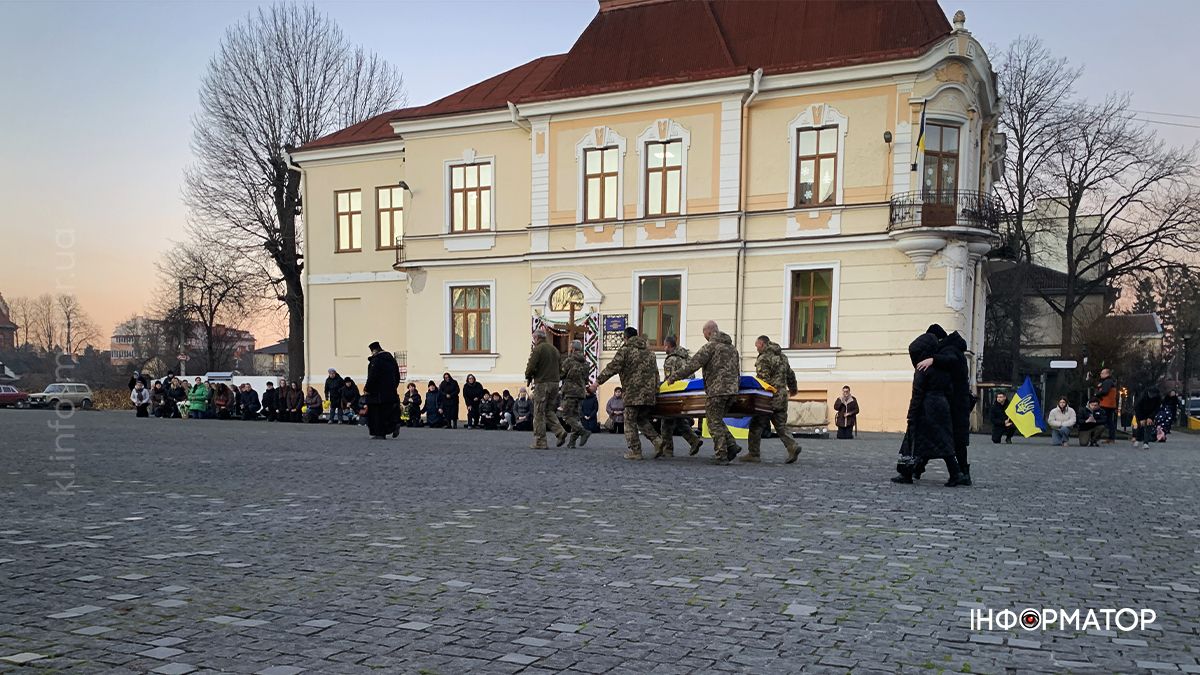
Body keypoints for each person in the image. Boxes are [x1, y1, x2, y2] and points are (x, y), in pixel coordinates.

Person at [892, 333, 963, 486]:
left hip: (926, 407)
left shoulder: (922, 368)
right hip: (942, 405)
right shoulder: (942, 367)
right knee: (944, 441)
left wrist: (911, 415)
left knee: (913, 440)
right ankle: (955, 473)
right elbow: (950, 388)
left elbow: (917, 394)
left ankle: (906, 473)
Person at [667, 320, 741, 465]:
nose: (705, 337)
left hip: (717, 390)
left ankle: (722, 454)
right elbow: (737, 370)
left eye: (704, 334)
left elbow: (692, 365)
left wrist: (674, 377)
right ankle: (732, 445)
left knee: (713, 422)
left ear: (708, 332)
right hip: (732, 390)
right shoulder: (732, 349)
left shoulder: (710, 347)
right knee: (717, 419)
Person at [915, 325, 974, 485]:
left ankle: (961, 473)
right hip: (956, 401)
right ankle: (918, 468)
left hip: (955, 402)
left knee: (949, 438)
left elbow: (951, 360)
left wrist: (933, 359)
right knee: (942, 437)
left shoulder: (950, 350)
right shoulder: (952, 347)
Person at [595, 327, 662, 460]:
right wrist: (655, 391)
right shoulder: (650, 353)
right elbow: (656, 374)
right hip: (648, 394)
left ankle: (635, 451)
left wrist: (597, 382)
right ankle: (658, 441)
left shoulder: (625, 351)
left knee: (629, 420)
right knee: (641, 419)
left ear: (625, 338)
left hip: (633, 393)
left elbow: (612, 367)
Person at [742, 336, 800, 464]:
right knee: (780, 425)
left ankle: (753, 453)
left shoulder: (764, 358)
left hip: (769, 397)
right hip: (782, 395)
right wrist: (793, 388)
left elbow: (763, 380)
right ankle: (792, 446)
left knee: (756, 424)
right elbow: (790, 374)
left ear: (762, 344)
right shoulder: (782, 357)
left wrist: (757, 396)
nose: (756, 348)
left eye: (757, 345)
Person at [658, 336, 704, 458]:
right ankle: (694, 441)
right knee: (679, 420)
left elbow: (669, 380)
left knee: (666, 422)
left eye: (665, 346)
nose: (664, 348)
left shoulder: (671, 360)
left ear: (668, 346)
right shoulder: (686, 356)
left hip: (675, 394)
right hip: (687, 392)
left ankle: (667, 449)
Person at [524, 330, 567, 448]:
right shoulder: (554, 350)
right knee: (549, 410)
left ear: (537, 338)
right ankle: (559, 431)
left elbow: (531, 366)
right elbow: (561, 369)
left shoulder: (538, 349)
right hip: (554, 384)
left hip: (542, 384)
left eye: (534, 338)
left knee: (538, 413)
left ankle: (540, 441)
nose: (534, 340)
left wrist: (528, 376)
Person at [364, 341, 402, 439]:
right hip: (390, 392)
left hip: (377, 394)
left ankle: (380, 433)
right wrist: (393, 387)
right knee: (388, 411)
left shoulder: (376, 361)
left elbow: (372, 377)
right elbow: (397, 375)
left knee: (376, 414)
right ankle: (394, 425)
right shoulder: (391, 360)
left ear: (374, 350)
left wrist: (367, 388)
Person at [560, 339, 592, 448]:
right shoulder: (586, 363)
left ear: (573, 349)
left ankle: (583, 432)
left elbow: (561, 374)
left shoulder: (569, 361)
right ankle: (572, 442)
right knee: (576, 416)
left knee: (566, 415)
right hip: (581, 392)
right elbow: (586, 378)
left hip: (570, 392)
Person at [1133, 386, 1162, 450]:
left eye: (1154, 395)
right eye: (1151, 394)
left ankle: (1146, 442)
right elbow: (1137, 408)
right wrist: (1141, 419)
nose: (1152, 396)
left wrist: (1151, 417)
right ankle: (1138, 439)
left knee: (1148, 427)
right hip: (1141, 412)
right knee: (1140, 426)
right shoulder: (1142, 397)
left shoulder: (1158, 398)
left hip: (1150, 412)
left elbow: (1157, 408)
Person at [1095, 368, 1118, 443]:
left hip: (1105, 404)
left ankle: (1097, 436)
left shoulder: (1107, 382)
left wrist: (1097, 394)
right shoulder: (1111, 381)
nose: (1100, 374)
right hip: (1110, 404)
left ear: (1107, 374)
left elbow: (1104, 391)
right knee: (1109, 421)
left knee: (1103, 420)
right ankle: (1111, 438)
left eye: (1102, 373)